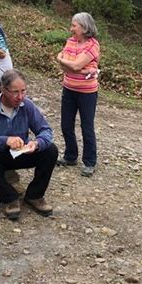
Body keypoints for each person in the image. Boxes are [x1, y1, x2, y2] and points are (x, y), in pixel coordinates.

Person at [0, 69, 58, 220]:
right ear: (3, 90)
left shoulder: (27, 105)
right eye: (15, 92)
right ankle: (10, 197)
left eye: (23, 91)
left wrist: (37, 143)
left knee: (50, 150)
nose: (20, 97)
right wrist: (4, 140)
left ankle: (34, 196)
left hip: (22, 154)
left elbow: (45, 130)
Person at [56, 12, 100, 177]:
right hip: (68, 88)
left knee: (86, 127)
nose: (71, 29)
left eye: (74, 26)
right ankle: (70, 156)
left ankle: (89, 162)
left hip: (87, 93)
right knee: (66, 124)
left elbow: (73, 66)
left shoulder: (92, 45)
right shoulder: (70, 41)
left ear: (84, 27)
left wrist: (66, 62)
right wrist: (82, 69)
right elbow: (68, 67)